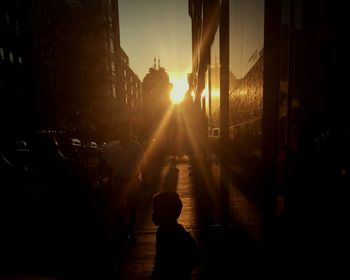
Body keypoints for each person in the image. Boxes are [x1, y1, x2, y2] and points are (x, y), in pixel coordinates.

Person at [107, 121, 145, 241]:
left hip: (132, 182)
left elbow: (142, 164)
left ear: (129, 131)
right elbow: (110, 166)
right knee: (118, 208)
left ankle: (130, 231)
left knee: (132, 207)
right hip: (118, 181)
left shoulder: (136, 146)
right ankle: (121, 229)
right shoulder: (114, 147)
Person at [151, 190, 201, 280]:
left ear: (165, 212)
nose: (153, 214)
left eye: (156, 210)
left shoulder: (175, 236)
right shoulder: (164, 232)